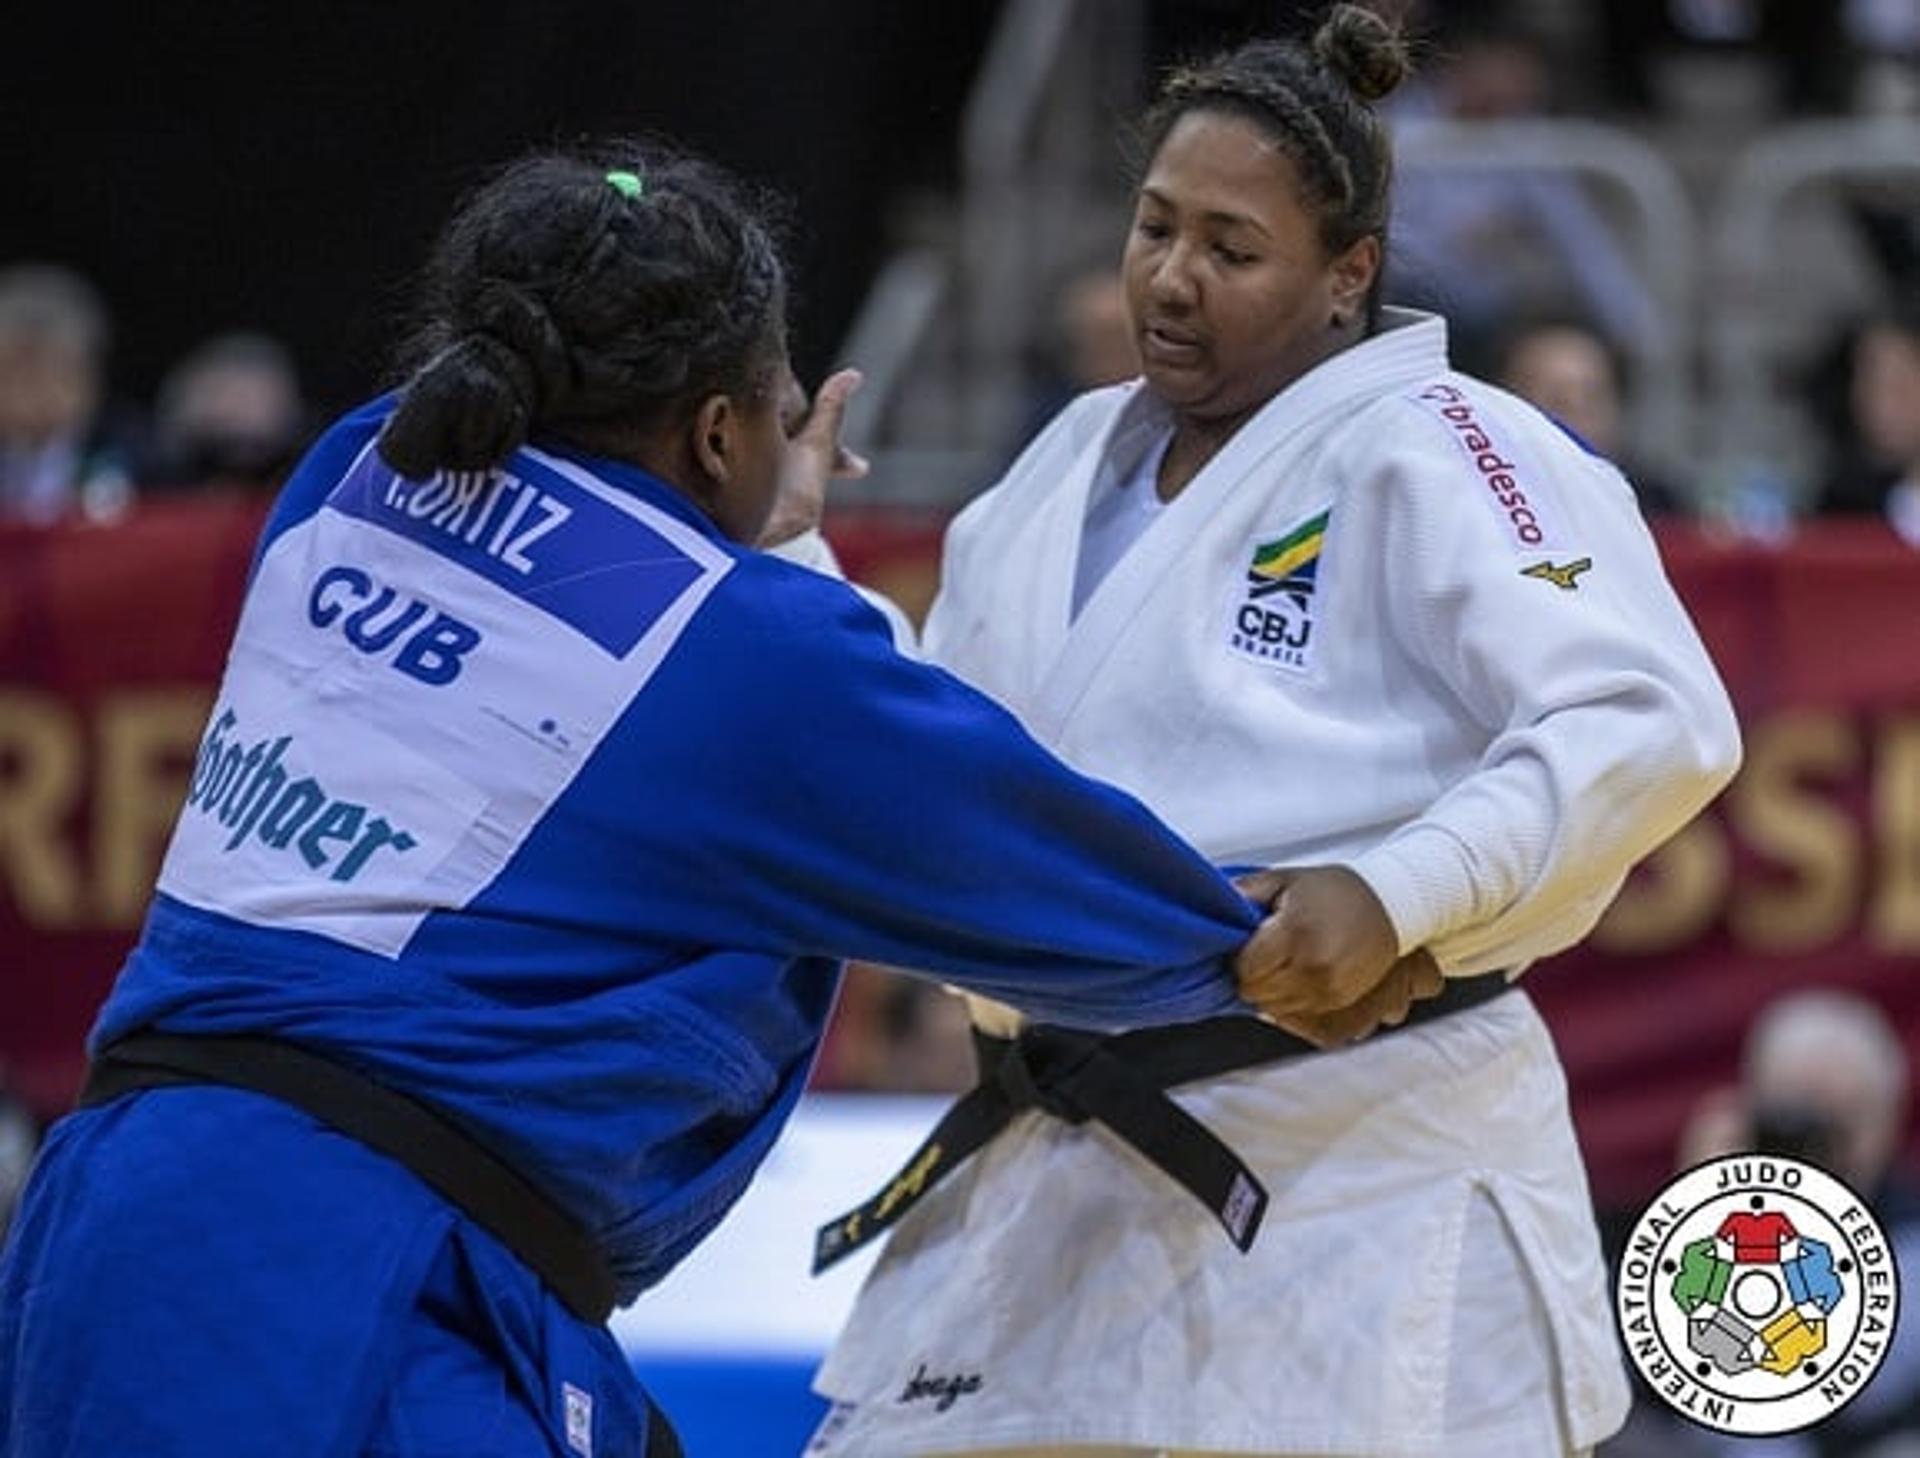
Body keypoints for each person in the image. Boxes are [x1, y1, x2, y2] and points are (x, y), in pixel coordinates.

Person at [0, 140, 1302, 1458]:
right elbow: (1103, 907)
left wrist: (755, 534)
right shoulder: (737, 649)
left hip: (109, 1216)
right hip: (348, 1284)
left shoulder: (346, 472)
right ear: (722, 430)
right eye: (777, 403)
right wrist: (1341, 928)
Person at [812, 9, 1743, 1456]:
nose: (1171, 281)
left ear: (1345, 276)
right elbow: (942, 750)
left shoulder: (1444, 443)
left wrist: (1397, 890)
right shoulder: (1072, 456)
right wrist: (790, 557)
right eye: (1155, 228)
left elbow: (1648, 714)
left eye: (1231, 250)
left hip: (1359, 1174)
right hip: (1063, 1165)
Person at [1494, 315, 1687, 516]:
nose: (1575, 416)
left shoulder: (1658, 509)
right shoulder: (1473, 510)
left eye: (1590, 398)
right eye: (1556, 399)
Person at [0, 264, 137, 523]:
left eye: (50, 372)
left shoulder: (139, 455)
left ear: (89, 380)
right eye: (13, 374)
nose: (30, 394)